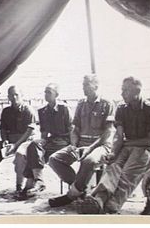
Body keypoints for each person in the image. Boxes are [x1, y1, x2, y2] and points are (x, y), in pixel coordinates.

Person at [78, 76, 150, 214]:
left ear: (136, 91)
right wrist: (114, 152)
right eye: (122, 90)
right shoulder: (121, 109)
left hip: (144, 149)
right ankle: (99, 199)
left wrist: (127, 143)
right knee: (113, 166)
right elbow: (119, 136)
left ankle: (112, 205)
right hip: (126, 146)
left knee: (128, 173)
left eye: (125, 90)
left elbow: (149, 141)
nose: (122, 93)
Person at [48, 74, 115, 207]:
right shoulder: (81, 104)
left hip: (100, 145)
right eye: (83, 85)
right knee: (54, 159)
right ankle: (80, 191)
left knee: (89, 161)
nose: (83, 88)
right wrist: (73, 145)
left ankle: (70, 195)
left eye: (86, 85)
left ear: (96, 86)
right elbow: (75, 127)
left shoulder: (107, 103)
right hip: (81, 143)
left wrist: (90, 148)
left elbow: (108, 132)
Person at [17, 83, 73, 199]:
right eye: (45, 92)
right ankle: (39, 181)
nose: (46, 94)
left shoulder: (64, 108)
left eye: (49, 92)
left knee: (37, 150)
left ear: (56, 95)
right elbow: (44, 133)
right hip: (51, 140)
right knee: (33, 146)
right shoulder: (42, 111)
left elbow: (71, 129)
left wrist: (72, 146)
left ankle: (30, 184)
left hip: (64, 140)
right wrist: (41, 146)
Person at [0, 86, 36, 193]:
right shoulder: (6, 111)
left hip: (26, 140)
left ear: (22, 96)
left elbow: (29, 131)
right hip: (11, 141)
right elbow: (3, 129)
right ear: (8, 97)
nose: (14, 97)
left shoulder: (28, 110)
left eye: (16, 94)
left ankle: (19, 186)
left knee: (20, 155)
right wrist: (5, 140)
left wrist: (16, 145)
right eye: (11, 95)